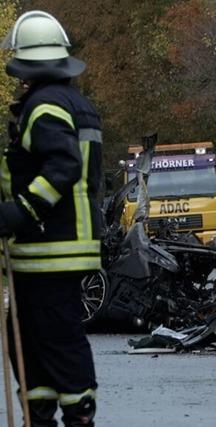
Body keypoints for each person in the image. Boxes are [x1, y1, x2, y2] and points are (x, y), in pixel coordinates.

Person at [0, 11, 102, 426]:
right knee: (34, 338)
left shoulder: (44, 108)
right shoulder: (75, 104)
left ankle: (69, 415)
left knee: (55, 340)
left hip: (48, 246)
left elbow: (62, 166)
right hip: (64, 246)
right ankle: (41, 412)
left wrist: (20, 211)